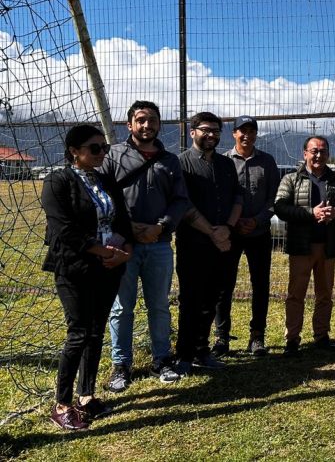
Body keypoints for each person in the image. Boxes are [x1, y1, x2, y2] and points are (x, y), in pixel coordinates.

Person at [42, 125, 133, 430]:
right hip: (75, 266)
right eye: (94, 148)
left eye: (104, 148)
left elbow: (122, 218)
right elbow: (63, 230)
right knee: (78, 332)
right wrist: (100, 251)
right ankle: (62, 403)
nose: (101, 153)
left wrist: (123, 249)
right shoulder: (58, 181)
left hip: (108, 266)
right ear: (74, 151)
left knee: (96, 331)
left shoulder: (106, 181)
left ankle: (86, 396)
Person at [102, 101, 189, 393]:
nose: (146, 125)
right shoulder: (112, 155)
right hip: (122, 244)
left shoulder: (170, 160)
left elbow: (180, 201)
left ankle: (161, 360)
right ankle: (121, 365)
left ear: (159, 125)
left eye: (152, 120)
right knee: (121, 307)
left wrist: (161, 226)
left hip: (160, 244)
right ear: (129, 125)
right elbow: (102, 195)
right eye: (140, 120)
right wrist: (126, 228)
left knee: (159, 305)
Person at [175, 112, 243, 375]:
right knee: (191, 299)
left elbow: (238, 197)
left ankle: (202, 350)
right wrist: (211, 232)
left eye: (216, 131)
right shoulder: (181, 163)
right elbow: (184, 204)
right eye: (206, 130)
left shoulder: (226, 165)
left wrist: (226, 229)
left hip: (224, 243)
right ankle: (184, 353)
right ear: (193, 132)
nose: (212, 135)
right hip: (193, 244)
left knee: (214, 298)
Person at [275, 135, 335, 355]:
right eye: (314, 151)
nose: (318, 155)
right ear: (305, 154)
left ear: (328, 154)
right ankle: (292, 339)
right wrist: (312, 213)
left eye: (322, 151)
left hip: (327, 247)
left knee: (325, 294)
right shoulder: (291, 179)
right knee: (295, 295)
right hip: (301, 247)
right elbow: (280, 207)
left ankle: (321, 336)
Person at [216, 115, 280, 357]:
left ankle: (257, 336)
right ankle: (222, 337)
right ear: (233, 134)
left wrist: (257, 220)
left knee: (260, 285)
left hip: (259, 232)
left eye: (251, 131)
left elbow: (275, 198)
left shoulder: (267, 161)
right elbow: (219, 197)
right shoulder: (223, 161)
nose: (247, 135)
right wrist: (232, 223)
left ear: (256, 134)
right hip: (230, 234)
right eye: (242, 131)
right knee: (224, 285)